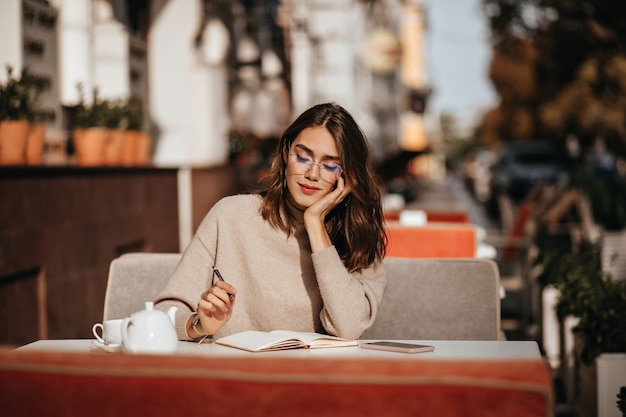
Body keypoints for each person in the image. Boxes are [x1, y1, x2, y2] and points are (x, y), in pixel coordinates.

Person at [154, 102, 387, 341]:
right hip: (233, 373)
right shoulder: (231, 216)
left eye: (330, 164)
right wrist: (200, 324)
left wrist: (315, 225)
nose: (312, 174)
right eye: (303, 156)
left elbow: (349, 328)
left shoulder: (359, 237)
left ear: (348, 174)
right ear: (286, 153)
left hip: (312, 376)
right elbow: (163, 315)